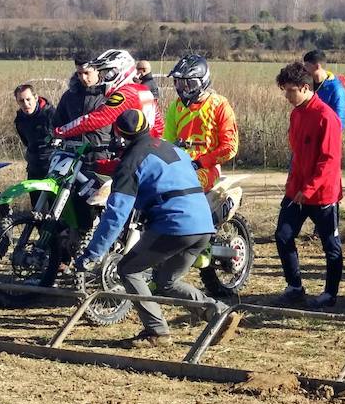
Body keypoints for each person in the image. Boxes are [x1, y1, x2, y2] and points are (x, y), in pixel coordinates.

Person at [73, 110, 241, 348]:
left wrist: (92, 254)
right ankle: (219, 313)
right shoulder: (170, 148)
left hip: (174, 225)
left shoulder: (131, 161)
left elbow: (116, 214)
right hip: (203, 224)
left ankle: (157, 331)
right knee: (166, 280)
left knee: (128, 269)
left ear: (119, 134)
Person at [272, 62, 343, 309]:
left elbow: (329, 160)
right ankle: (295, 287)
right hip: (296, 191)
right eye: (285, 91)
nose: (287, 96)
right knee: (282, 235)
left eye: (290, 90)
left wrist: (310, 188)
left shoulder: (326, 117)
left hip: (323, 194)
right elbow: (297, 154)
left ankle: (330, 294)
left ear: (305, 87)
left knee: (330, 246)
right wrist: (294, 186)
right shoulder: (296, 114)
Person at [54, 49, 164, 144]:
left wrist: (60, 131)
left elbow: (98, 118)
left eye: (108, 72)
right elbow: (159, 123)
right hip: (149, 144)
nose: (105, 76)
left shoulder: (125, 94)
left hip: (137, 148)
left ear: (120, 70)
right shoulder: (142, 89)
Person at [163, 55, 238, 191]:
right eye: (179, 83)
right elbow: (167, 142)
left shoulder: (219, 105)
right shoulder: (176, 106)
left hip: (207, 168)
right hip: (178, 166)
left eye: (189, 84)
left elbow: (230, 147)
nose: (184, 89)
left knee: (185, 186)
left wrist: (201, 162)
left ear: (202, 81)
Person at [13, 84, 56, 206]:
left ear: (36, 97)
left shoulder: (51, 115)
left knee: (54, 206)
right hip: (34, 166)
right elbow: (26, 142)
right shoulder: (20, 120)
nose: (26, 104)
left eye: (28, 99)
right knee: (36, 206)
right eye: (21, 101)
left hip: (52, 166)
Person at [302, 50, 345, 130]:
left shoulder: (336, 89)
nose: (304, 69)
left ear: (317, 66)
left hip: (325, 135)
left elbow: (339, 122)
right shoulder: (307, 85)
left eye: (307, 66)